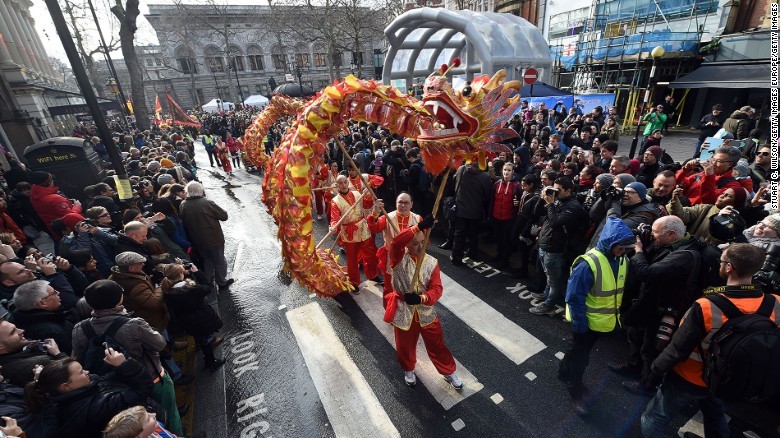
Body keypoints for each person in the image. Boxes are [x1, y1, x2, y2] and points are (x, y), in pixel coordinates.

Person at [640, 243, 777, 437]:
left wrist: (655, 369)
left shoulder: (706, 306)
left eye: (722, 261)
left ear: (729, 267)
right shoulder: (775, 303)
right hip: (727, 379)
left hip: (689, 378)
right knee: (715, 414)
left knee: (655, 417)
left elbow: (677, 349)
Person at [71, 280, 182, 436]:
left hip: (116, 388)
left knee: (138, 425)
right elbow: (159, 343)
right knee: (169, 414)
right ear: (118, 299)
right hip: (151, 378)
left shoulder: (79, 329)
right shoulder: (133, 324)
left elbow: (77, 357)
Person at [613, 216, 704, 395]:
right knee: (635, 334)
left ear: (671, 234)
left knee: (651, 347)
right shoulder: (671, 245)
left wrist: (639, 251)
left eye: (655, 233)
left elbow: (647, 273)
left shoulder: (683, 255)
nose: (652, 235)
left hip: (663, 308)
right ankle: (632, 366)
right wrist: (648, 243)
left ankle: (647, 385)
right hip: (650, 302)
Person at [559, 217, 635, 415]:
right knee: (580, 358)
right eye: (621, 247)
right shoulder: (588, 264)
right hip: (586, 324)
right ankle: (575, 390)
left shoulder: (622, 259)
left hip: (602, 323)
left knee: (578, 352)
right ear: (611, 243)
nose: (625, 251)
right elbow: (574, 298)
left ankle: (564, 373)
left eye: (628, 248)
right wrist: (581, 326)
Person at [384, 215, 463, 389]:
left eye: (422, 242)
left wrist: (421, 298)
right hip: (404, 310)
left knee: (437, 343)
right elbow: (396, 242)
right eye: (414, 243)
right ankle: (408, 369)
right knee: (404, 345)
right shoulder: (397, 256)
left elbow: (437, 289)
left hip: (425, 311)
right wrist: (418, 226)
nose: (419, 247)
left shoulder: (431, 262)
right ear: (407, 244)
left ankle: (448, 371)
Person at [23, 350, 153, 438]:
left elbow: (104, 380)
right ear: (66, 386)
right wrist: (124, 364)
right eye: (81, 372)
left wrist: (118, 365)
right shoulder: (97, 407)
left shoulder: (76, 391)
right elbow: (143, 389)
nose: (87, 371)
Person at [530, 177, 588, 316]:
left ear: (568, 191)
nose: (554, 192)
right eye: (553, 189)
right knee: (548, 275)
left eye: (558, 190)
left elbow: (556, 222)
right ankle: (546, 294)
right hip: (545, 244)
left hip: (556, 249)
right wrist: (542, 198)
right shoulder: (556, 201)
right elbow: (537, 213)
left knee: (554, 280)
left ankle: (549, 305)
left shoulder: (573, 206)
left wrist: (550, 204)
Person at [160, 263, 225, 372]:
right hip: (201, 319)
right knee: (206, 340)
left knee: (200, 337)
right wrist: (197, 272)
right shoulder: (190, 289)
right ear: (180, 275)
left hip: (186, 321)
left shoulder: (167, 291)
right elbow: (207, 287)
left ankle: (202, 349)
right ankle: (211, 362)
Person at [179, 182, 233, 291]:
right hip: (213, 237)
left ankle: (207, 280)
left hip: (197, 240)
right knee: (219, 260)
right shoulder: (206, 202)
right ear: (200, 190)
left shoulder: (183, 204)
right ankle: (221, 281)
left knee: (207, 260)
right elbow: (224, 216)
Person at [329, 175, 380, 290]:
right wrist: (333, 226)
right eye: (340, 183)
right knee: (352, 258)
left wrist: (369, 191)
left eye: (345, 182)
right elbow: (334, 218)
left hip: (362, 227)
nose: (343, 185)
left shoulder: (357, 194)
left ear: (347, 183)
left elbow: (367, 205)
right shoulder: (335, 201)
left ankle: (373, 275)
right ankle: (354, 282)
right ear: (337, 185)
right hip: (348, 232)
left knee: (370, 253)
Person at [367, 193, 420, 304]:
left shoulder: (418, 219)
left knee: (409, 285)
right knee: (389, 286)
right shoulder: (387, 217)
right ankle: (389, 309)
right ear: (396, 204)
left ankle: (405, 309)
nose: (403, 205)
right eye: (400, 202)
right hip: (391, 259)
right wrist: (375, 212)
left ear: (411, 204)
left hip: (410, 258)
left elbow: (425, 241)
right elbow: (373, 228)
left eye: (406, 202)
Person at [12, 280, 74, 354]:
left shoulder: (20, 319)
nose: (58, 293)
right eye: (54, 293)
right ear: (42, 303)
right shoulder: (52, 331)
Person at [0, 321, 69, 387]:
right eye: (12, 332)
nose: (21, 330)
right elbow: (74, 373)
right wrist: (58, 354)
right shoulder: (41, 363)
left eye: (16, 328)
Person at [451, 162, 492, 266]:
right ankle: (472, 254)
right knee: (473, 234)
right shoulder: (484, 177)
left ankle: (456, 257)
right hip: (475, 210)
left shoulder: (461, 169)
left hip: (460, 209)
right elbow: (487, 194)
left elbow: (454, 182)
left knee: (458, 235)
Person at [676, 147, 743, 205]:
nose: (713, 163)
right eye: (713, 159)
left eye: (718, 161)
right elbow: (676, 183)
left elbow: (708, 199)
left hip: (697, 215)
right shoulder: (701, 175)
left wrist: (709, 175)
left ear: (730, 164)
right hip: (682, 208)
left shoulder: (732, 186)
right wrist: (685, 169)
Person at [488, 163, 522, 269]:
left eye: (509, 170)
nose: (506, 172)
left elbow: (520, 203)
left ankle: (504, 260)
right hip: (496, 216)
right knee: (498, 239)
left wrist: (518, 203)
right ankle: (499, 255)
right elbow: (492, 200)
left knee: (506, 241)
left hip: (508, 219)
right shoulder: (497, 184)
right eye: (504, 170)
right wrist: (490, 215)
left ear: (513, 172)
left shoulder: (517, 186)